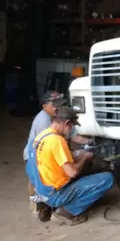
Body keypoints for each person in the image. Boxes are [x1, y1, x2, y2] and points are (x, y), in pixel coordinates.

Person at [25, 106, 114, 226]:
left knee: (81, 168)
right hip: (56, 194)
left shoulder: (41, 137)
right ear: (66, 123)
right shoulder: (57, 141)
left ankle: (46, 205)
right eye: (71, 126)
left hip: (42, 190)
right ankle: (66, 212)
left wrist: (78, 155)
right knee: (107, 178)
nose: (71, 129)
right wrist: (85, 158)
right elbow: (73, 173)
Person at [24, 91, 90, 222]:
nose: (58, 107)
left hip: (49, 151)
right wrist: (79, 158)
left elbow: (73, 136)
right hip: (34, 155)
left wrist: (89, 142)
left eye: (60, 104)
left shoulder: (60, 116)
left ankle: (50, 199)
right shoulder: (43, 121)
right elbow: (50, 147)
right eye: (54, 105)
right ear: (45, 107)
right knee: (39, 177)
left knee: (62, 169)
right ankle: (39, 203)